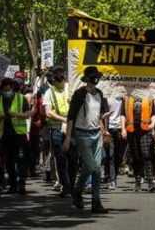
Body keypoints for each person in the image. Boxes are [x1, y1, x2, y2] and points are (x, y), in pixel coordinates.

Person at [63, 66, 109, 214]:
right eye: (93, 77)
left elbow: (99, 115)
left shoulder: (100, 94)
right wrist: (68, 138)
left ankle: (96, 202)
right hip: (81, 135)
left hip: (96, 134)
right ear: (87, 79)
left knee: (96, 171)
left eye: (97, 77)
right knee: (92, 167)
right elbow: (70, 117)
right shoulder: (79, 94)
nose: (96, 80)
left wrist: (104, 131)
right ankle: (77, 190)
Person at [44, 66, 77, 198]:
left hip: (72, 128)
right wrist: (64, 119)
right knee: (61, 159)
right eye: (57, 81)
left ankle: (72, 185)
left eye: (61, 79)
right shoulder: (49, 92)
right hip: (57, 129)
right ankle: (66, 186)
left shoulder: (71, 88)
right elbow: (48, 112)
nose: (60, 83)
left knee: (73, 158)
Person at [0, 78, 30, 195]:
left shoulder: (21, 98)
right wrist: (0, 118)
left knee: (21, 160)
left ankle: (22, 184)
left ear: (12, 87)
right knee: (9, 161)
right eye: (4, 86)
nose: (6, 88)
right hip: (5, 135)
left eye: (8, 86)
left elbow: (27, 114)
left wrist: (16, 114)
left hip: (19, 134)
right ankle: (12, 185)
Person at [121, 94, 155, 192]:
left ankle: (150, 182)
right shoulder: (126, 97)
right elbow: (123, 114)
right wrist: (123, 129)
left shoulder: (149, 96)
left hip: (145, 129)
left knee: (146, 155)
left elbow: (154, 113)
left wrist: (153, 124)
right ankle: (137, 182)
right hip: (132, 130)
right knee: (135, 156)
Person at [104, 96, 126, 190]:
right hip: (110, 128)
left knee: (119, 156)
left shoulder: (124, 98)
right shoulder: (108, 97)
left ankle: (112, 175)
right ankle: (112, 179)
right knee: (111, 155)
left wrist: (124, 129)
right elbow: (105, 114)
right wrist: (105, 130)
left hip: (121, 129)